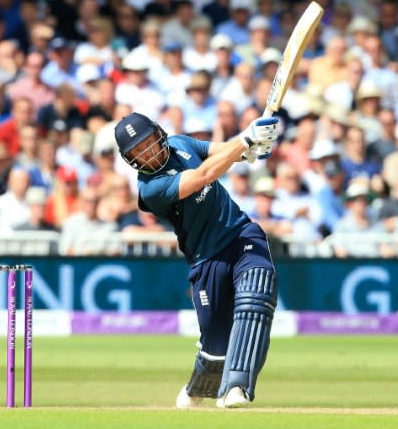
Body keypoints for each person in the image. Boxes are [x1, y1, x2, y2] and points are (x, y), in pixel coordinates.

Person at [113, 111, 279, 409]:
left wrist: (251, 149)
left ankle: (237, 385)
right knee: (215, 350)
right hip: (206, 260)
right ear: (131, 159)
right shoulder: (150, 190)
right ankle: (197, 388)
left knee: (257, 292)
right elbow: (203, 175)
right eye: (138, 151)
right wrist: (245, 140)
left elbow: (220, 152)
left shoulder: (180, 143)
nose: (148, 152)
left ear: (159, 134)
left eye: (149, 142)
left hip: (241, 234)